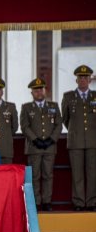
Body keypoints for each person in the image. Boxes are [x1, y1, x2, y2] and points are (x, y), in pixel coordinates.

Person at [21, 78, 62, 212]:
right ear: (32, 93)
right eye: (36, 90)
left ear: (44, 91)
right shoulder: (26, 107)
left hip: (50, 147)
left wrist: (51, 139)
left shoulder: (53, 106)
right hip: (34, 147)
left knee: (48, 175)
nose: (39, 92)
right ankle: (36, 202)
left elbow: (58, 124)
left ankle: (47, 201)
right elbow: (25, 126)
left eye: (41, 89)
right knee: (35, 176)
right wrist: (35, 140)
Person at [61, 65, 96, 211]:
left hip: (93, 141)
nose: (83, 80)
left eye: (86, 77)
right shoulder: (68, 97)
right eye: (80, 77)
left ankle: (92, 202)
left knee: (93, 173)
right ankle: (79, 202)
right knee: (77, 174)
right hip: (75, 141)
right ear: (76, 80)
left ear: (89, 79)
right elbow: (65, 118)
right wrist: (76, 131)